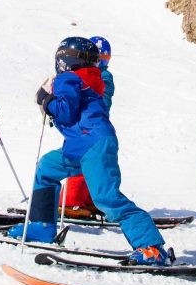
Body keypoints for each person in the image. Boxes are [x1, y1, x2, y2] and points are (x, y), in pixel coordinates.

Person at [9, 37, 172, 266]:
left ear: (64, 60)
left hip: (93, 145)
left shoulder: (69, 78)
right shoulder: (90, 79)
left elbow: (66, 111)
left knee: (106, 197)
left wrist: (45, 100)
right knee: (47, 167)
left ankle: (151, 247)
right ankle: (42, 225)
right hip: (81, 145)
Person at [59, 35, 114, 219]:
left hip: (93, 125)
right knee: (83, 163)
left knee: (96, 166)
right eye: (101, 58)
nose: (102, 63)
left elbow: (102, 97)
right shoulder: (89, 74)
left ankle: (88, 200)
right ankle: (70, 201)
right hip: (85, 127)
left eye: (105, 59)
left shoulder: (102, 76)